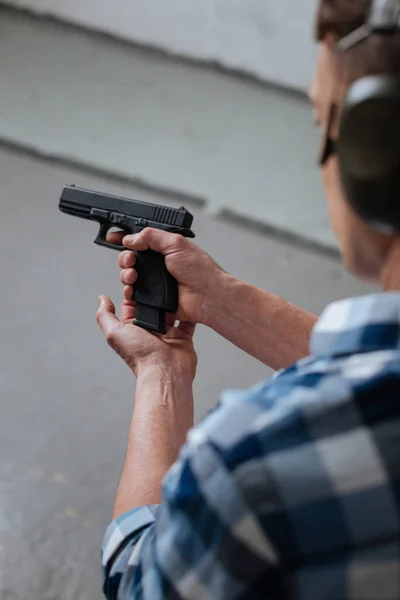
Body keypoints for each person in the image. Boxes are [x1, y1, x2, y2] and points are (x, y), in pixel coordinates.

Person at [98, 0, 400, 598]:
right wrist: (220, 297)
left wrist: (161, 374)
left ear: (376, 155)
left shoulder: (255, 463)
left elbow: (138, 578)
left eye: (324, 122)